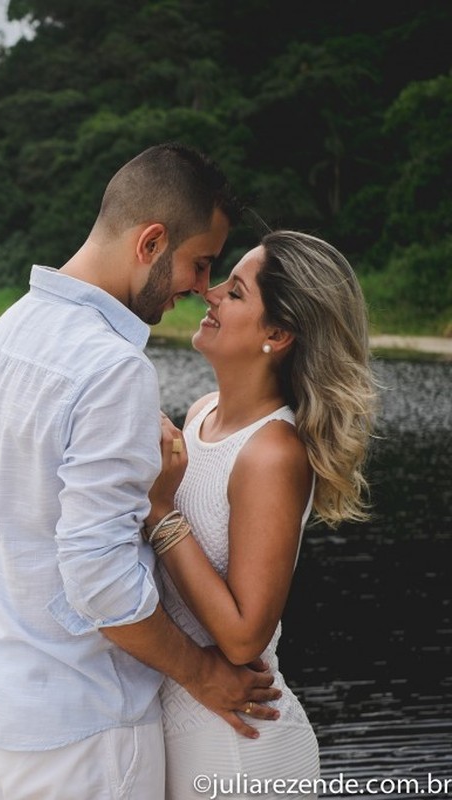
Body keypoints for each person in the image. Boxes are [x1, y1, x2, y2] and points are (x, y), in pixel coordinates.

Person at [0, 142, 282, 800]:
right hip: (83, 725)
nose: (199, 288)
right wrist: (201, 674)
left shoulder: (10, 330)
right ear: (151, 241)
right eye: (200, 263)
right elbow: (99, 583)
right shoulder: (112, 367)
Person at [149, 230, 377, 798]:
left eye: (237, 291)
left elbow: (246, 637)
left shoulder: (273, 452)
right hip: (184, 725)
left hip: (242, 750)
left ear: (276, 334)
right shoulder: (200, 413)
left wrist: (158, 511)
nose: (211, 293)